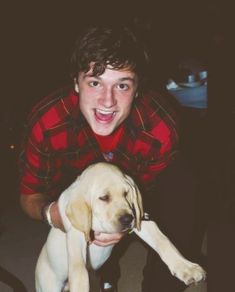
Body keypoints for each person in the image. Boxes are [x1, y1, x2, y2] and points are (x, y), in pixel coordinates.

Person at [19, 24, 204, 292]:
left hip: (135, 183)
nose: (107, 101)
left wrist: (125, 216)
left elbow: (141, 202)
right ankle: (106, 276)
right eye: (95, 82)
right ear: (76, 83)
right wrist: (53, 214)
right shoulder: (48, 123)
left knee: (184, 185)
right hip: (70, 192)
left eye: (122, 85)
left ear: (138, 88)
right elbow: (29, 196)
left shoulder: (159, 126)